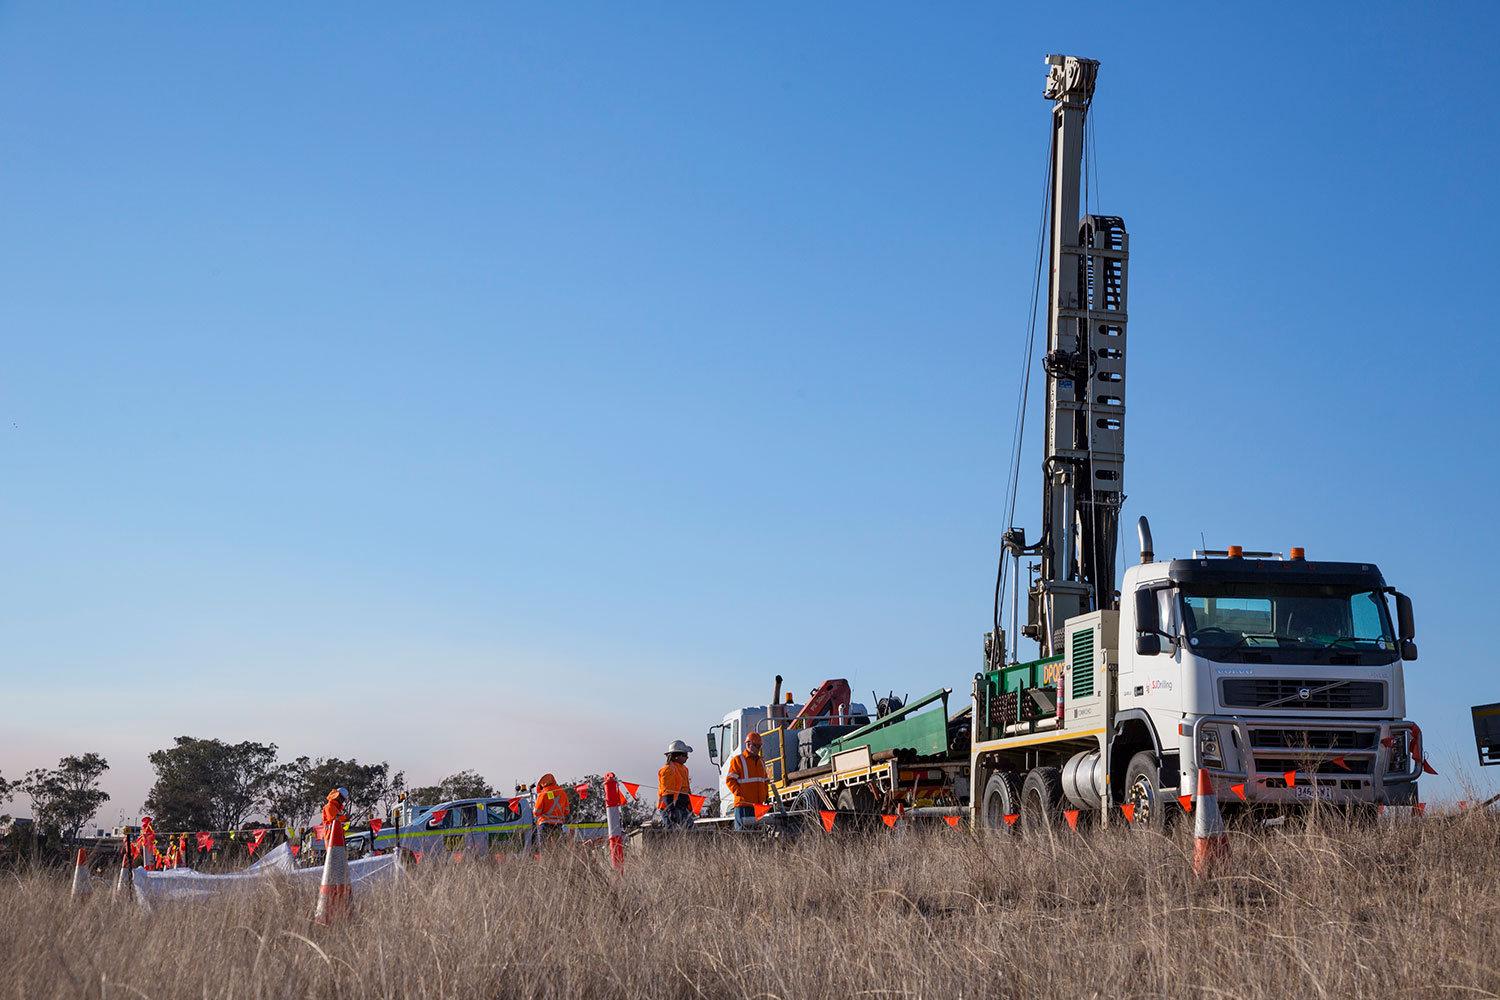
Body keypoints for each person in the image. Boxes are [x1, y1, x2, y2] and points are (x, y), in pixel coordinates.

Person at [726, 731, 769, 831]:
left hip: (758, 806)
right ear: (748, 745)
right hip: (743, 805)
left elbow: (765, 782)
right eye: (756, 746)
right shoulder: (738, 760)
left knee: (757, 835)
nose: (758, 749)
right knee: (742, 835)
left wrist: (765, 796)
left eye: (759, 746)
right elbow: (730, 780)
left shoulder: (761, 762)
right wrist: (740, 794)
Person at [657, 740, 695, 829]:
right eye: (685, 755)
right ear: (676, 756)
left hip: (681, 807)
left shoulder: (684, 769)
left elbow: (686, 790)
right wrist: (671, 811)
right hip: (669, 808)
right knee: (671, 834)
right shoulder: (668, 770)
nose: (687, 757)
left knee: (691, 831)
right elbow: (667, 792)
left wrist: (690, 807)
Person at [532, 773, 569, 851]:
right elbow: (566, 811)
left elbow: (536, 812)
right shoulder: (562, 793)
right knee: (559, 848)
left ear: (542, 785)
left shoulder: (543, 794)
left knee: (544, 847)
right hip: (558, 825)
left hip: (545, 825)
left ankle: (546, 862)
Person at [323, 787, 349, 852]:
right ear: (338, 796)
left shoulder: (337, 809)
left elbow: (341, 824)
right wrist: (345, 818)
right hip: (331, 838)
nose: (342, 802)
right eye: (342, 799)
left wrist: (346, 820)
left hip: (338, 838)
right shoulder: (329, 806)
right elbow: (333, 819)